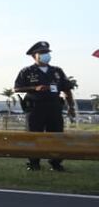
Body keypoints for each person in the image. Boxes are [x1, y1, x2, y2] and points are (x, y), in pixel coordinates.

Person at [14, 41, 76, 172]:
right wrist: (34, 88)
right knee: (34, 136)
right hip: (35, 108)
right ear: (34, 56)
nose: (45, 55)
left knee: (57, 136)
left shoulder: (57, 71)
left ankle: (56, 163)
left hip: (54, 108)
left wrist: (71, 107)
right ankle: (34, 163)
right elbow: (17, 88)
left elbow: (67, 89)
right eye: (42, 53)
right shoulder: (27, 71)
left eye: (47, 53)